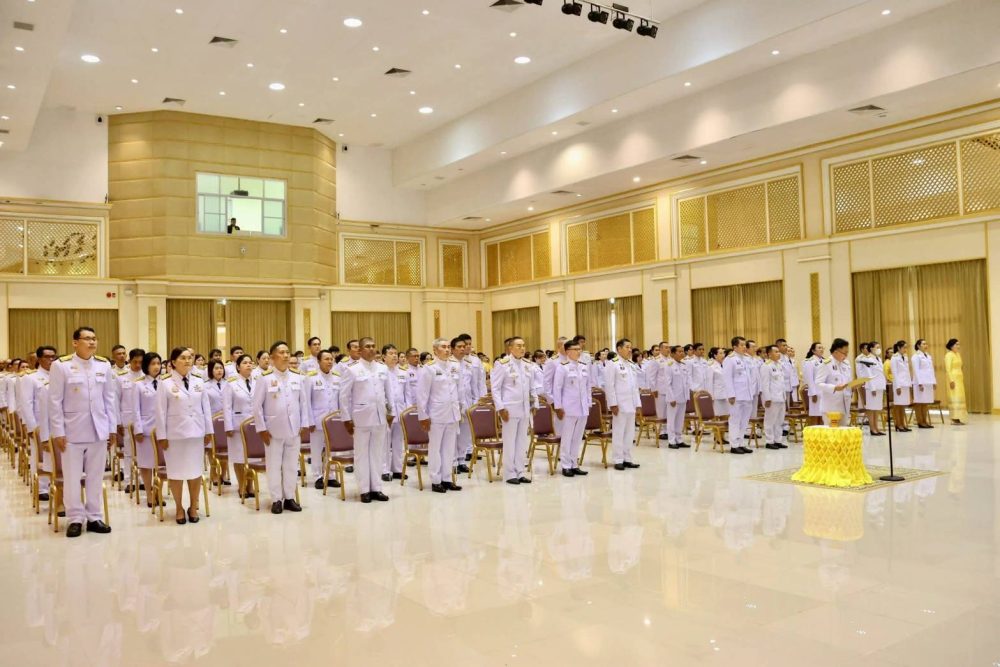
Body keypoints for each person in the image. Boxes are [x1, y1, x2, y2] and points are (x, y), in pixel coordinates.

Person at [48, 327, 116, 538]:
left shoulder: (104, 365)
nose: (92, 342)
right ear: (75, 343)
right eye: (87, 339)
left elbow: (109, 399)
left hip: (98, 429)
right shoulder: (61, 366)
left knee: (96, 475)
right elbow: (54, 401)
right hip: (72, 431)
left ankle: (94, 516)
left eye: (94, 338)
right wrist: (58, 431)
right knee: (72, 477)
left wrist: (112, 428)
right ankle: (75, 518)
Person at [155, 347, 213, 524]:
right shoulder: (165, 383)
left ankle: (193, 506)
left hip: (196, 433)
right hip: (175, 436)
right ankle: (179, 507)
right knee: (176, 473)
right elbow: (160, 412)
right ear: (173, 362)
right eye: (183, 358)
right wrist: (162, 436)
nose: (187, 361)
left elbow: (206, 408)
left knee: (195, 472)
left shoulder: (198, 381)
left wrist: (209, 431)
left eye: (189, 358)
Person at [252, 341, 310, 514]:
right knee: (274, 466)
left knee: (291, 466)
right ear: (272, 357)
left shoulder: (297, 376)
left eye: (287, 352)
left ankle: (289, 497)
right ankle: (276, 499)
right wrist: (261, 429)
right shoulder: (265, 378)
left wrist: (304, 424)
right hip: (272, 431)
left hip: (294, 430)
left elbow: (303, 403)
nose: (286, 356)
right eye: (282, 352)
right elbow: (257, 406)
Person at [340, 337, 391, 503]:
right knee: (361, 455)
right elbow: (344, 396)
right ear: (360, 350)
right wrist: (346, 419)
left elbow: (389, 392)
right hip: (361, 418)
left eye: (373, 346)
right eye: (367, 346)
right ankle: (364, 490)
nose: (371, 349)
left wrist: (391, 412)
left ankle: (376, 488)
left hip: (380, 417)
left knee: (377, 454)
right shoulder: (352, 369)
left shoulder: (382, 368)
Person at [416, 338, 462, 494]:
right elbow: (422, 394)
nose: (447, 349)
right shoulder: (429, 368)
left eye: (448, 347)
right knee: (435, 448)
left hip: (452, 413)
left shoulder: (455, 366)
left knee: (449, 449)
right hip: (436, 414)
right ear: (435, 350)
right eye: (443, 347)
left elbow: (458, 389)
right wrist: (423, 416)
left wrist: (460, 409)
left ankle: (447, 479)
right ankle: (436, 480)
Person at [491, 336, 534, 485]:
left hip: (525, 408)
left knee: (522, 441)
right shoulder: (502, 364)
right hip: (509, 409)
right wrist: (500, 408)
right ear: (510, 348)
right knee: (510, 442)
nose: (522, 348)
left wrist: (534, 404)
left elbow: (531, 387)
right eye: (518, 346)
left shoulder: (527, 364)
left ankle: (520, 471)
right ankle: (509, 474)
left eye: (523, 345)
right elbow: (495, 388)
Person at [19, 345, 57, 500]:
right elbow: (26, 404)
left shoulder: (58, 376)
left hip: (57, 424)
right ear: (39, 359)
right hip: (39, 424)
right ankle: (41, 488)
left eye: (53, 356)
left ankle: (55, 483)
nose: (50, 360)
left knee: (56, 456)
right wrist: (32, 427)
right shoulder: (31, 378)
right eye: (47, 357)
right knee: (40, 455)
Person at [552, 337, 591, 477]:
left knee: (578, 437)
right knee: (567, 437)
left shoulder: (583, 366)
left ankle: (574, 464)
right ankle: (566, 465)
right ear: (568, 351)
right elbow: (557, 388)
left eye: (579, 349)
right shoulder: (562, 367)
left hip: (583, 408)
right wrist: (558, 407)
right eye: (575, 349)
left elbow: (588, 387)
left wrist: (588, 403)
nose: (579, 352)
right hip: (568, 408)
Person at [305, 349, 340, 489]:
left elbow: (340, 400)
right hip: (317, 420)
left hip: (334, 421)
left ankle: (330, 475)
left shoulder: (337, 377)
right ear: (319, 361)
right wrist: (309, 421)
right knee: (316, 449)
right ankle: (318, 476)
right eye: (326, 359)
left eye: (331, 359)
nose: (329, 361)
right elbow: (307, 401)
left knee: (331, 449)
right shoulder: (311, 378)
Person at [605, 338, 641, 470]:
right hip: (620, 404)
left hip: (631, 404)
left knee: (630, 433)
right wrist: (613, 404)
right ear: (619, 349)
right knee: (619, 432)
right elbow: (609, 385)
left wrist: (638, 404)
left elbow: (635, 386)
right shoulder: (613, 363)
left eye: (630, 347)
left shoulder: (631, 364)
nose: (630, 350)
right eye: (627, 347)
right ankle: (618, 459)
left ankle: (627, 458)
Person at [223, 353, 256, 496]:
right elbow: (227, 407)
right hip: (237, 426)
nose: (248, 365)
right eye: (245, 363)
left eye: (250, 362)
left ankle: (250, 485)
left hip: (255, 426)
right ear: (238, 367)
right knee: (239, 457)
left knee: (252, 457)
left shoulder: (258, 382)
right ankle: (242, 485)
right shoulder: (231, 383)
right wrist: (228, 426)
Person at [133, 352, 162, 508]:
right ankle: (149, 493)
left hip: (162, 430)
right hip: (145, 429)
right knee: (146, 463)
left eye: (158, 363)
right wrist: (138, 429)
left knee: (160, 462)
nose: (156, 367)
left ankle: (158, 492)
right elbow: (135, 409)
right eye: (152, 364)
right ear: (146, 366)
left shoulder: (165, 382)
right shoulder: (139, 384)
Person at [116, 348, 145, 493]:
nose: (138, 365)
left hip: (144, 420)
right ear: (130, 361)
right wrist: (118, 422)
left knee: (144, 451)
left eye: (141, 362)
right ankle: (129, 480)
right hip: (127, 419)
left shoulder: (147, 377)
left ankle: (143, 480)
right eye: (135, 362)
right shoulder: (121, 377)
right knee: (128, 452)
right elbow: (116, 400)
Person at [382, 344, 410, 482]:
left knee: (398, 442)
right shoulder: (381, 372)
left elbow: (407, 394)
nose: (394, 356)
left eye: (395, 353)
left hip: (400, 411)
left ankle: (397, 469)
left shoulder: (403, 372)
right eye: (391, 353)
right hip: (386, 413)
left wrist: (408, 412)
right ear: (383, 356)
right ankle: (384, 470)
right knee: (385, 442)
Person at [723, 337, 753, 454]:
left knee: (744, 421)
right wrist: (731, 394)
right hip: (736, 396)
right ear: (735, 347)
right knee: (735, 420)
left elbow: (749, 378)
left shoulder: (746, 359)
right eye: (742, 345)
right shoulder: (730, 359)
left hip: (747, 395)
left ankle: (741, 443)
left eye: (745, 345)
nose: (744, 347)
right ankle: (734, 445)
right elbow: (727, 378)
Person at [816, 338, 853, 425]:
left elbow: (848, 382)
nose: (846, 355)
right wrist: (834, 388)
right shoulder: (826, 364)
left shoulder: (846, 364)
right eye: (844, 353)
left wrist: (854, 386)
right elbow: (818, 383)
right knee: (831, 432)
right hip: (831, 407)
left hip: (845, 405)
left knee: (843, 431)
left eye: (847, 353)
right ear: (836, 352)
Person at [759, 344, 788, 449]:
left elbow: (781, 383)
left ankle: (778, 440)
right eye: (776, 352)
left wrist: (784, 397)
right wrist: (767, 398)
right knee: (770, 420)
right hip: (772, 398)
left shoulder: (779, 364)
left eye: (778, 351)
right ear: (769, 354)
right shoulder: (766, 366)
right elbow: (765, 384)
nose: (778, 353)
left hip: (781, 397)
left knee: (779, 420)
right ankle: (769, 441)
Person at [664, 345, 691, 449]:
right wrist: (671, 398)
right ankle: (671, 441)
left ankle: (679, 439)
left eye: (682, 351)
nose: (682, 353)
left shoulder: (684, 365)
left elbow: (686, 382)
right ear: (673, 354)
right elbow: (668, 383)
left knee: (680, 420)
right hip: (673, 398)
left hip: (683, 397)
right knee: (672, 420)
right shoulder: (669, 365)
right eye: (679, 351)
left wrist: (687, 396)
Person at [858, 341, 886, 436]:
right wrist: (873, 388)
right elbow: (869, 375)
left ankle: (876, 428)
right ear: (871, 349)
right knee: (871, 408)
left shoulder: (879, 359)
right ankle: (872, 428)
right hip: (872, 387)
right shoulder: (868, 359)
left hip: (879, 386)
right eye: (877, 347)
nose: (879, 349)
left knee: (877, 408)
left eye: (879, 347)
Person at [911, 338, 936, 429]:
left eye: (926, 344)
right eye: (923, 344)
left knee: (925, 403)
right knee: (919, 403)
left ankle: (925, 421)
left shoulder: (928, 356)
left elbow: (931, 370)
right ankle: (920, 422)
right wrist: (920, 383)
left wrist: (934, 382)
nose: (926, 345)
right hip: (920, 383)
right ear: (918, 346)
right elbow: (916, 371)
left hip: (928, 382)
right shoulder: (916, 356)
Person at [890, 341, 913, 432]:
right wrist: (897, 386)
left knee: (903, 406)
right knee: (898, 405)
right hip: (899, 384)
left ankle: (903, 424)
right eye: (904, 347)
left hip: (905, 384)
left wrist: (909, 384)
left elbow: (907, 372)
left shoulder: (905, 357)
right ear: (899, 348)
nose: (905, 349)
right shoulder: (894, 358)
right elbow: (895, 373)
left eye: (906, 347)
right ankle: (898, 424)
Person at [944, 339, 967, 425]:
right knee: (954, 398)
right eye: (956, 344)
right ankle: (954, 418)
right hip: (953, 379)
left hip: (959, 379)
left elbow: (960, 367)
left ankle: (959, 417)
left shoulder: (958, 354)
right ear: (951, 346)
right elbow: (948, 369)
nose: (958, 346)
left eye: (958, 344)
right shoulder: (948, 355)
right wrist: (951, 380)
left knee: (960, 398)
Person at [803, 342, 826, 425]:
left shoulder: (825, 361)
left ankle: (822, 433)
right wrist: (813, 393)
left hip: (824, 393)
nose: (821, 349)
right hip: (815, 393)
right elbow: (809, 379)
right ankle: (814, 433)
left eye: (822, 348)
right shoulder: (810, 361)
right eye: (819, 348)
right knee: (815, 416)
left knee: (823, 416)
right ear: (813, 351)